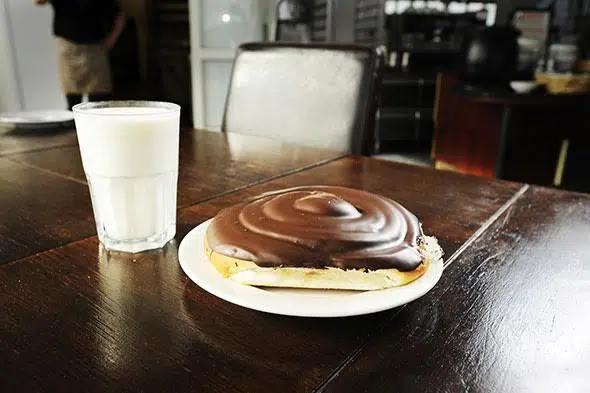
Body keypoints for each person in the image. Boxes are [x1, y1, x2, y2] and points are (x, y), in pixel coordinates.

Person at [35, 0, 126, 109]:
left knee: (100, 104)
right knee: (72, 104)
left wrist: (111, 40)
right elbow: (39, 1)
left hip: (95, 48)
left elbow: (120, 16)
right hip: (68, 47)